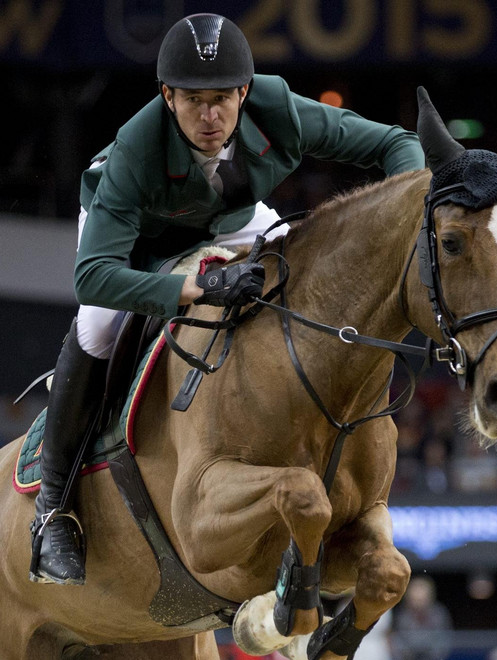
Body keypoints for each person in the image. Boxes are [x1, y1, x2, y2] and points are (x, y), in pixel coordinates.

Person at [29, 13, 424, 584]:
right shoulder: (138, 150)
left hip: (231, 220)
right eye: (192, 101)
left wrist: (403, 220)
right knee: (96, 326)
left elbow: (398, 146)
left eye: (222, 99)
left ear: (244, 91)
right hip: (140, 232)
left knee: (306, 270)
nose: (209, 117)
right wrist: (196, 287)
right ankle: (54, 508)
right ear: (167, 96)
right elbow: (93, 276)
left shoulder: (279, 108)